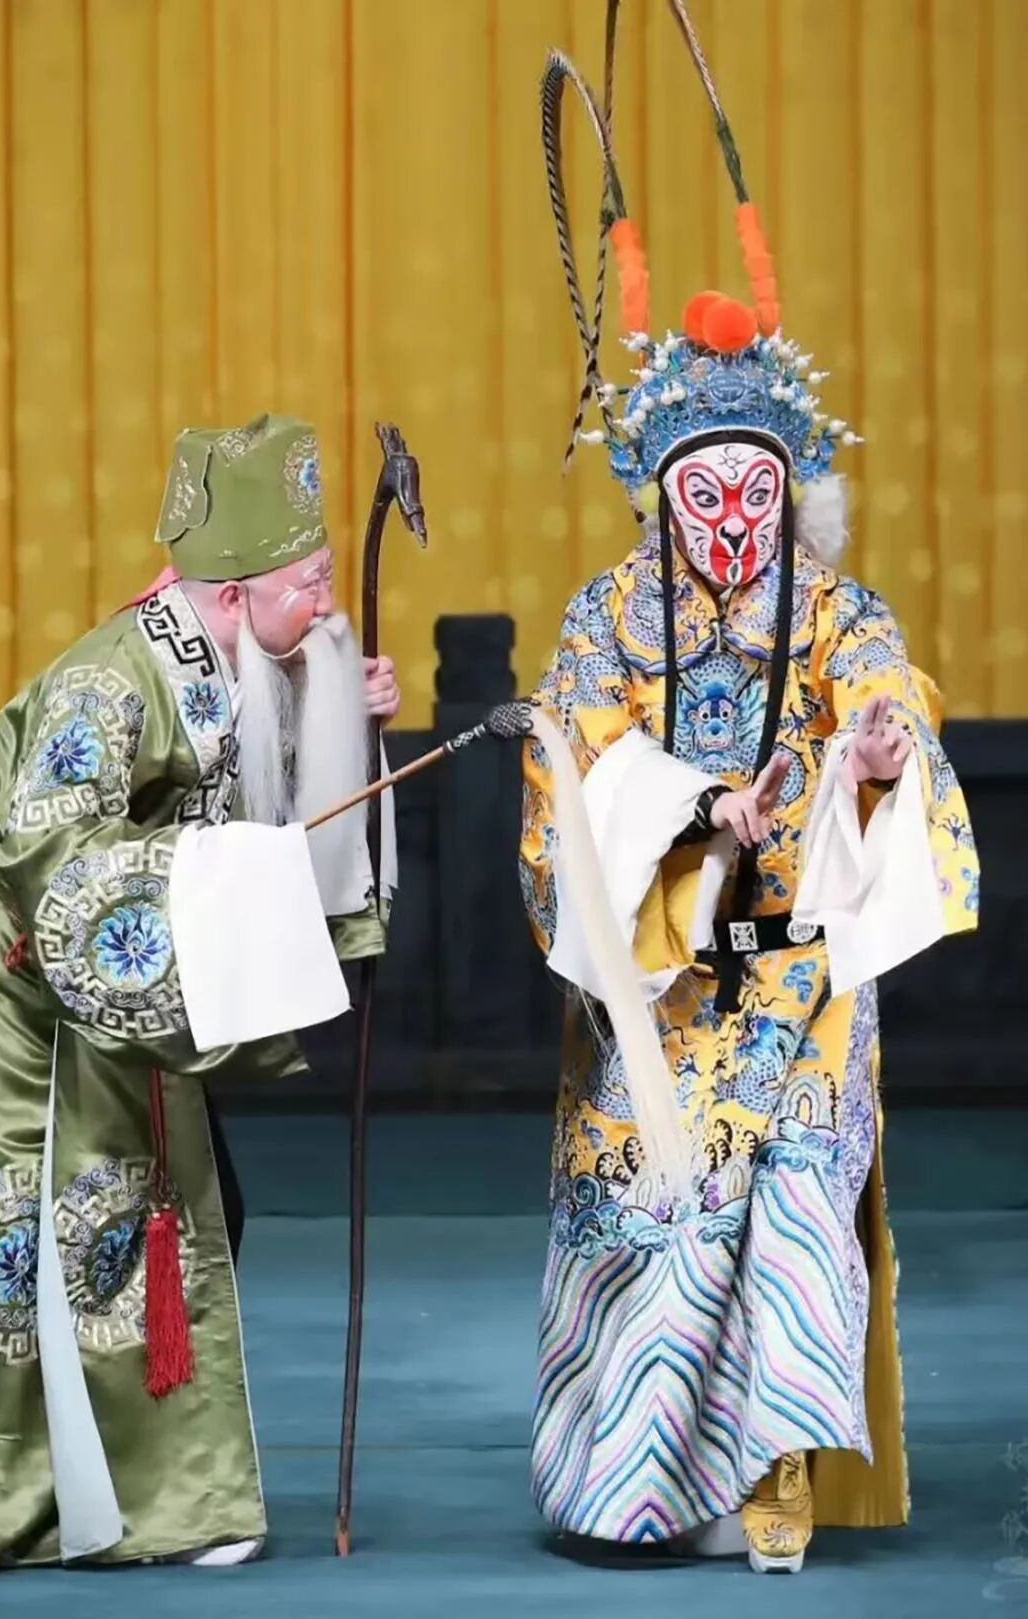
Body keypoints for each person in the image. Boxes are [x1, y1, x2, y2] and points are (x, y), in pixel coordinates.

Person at [520, 27, 979, 1575]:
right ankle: (635, 1485)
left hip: (798, 972)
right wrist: (687, 808)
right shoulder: (608, 615)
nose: (731, 523)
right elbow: (569, 766)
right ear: (663, 495)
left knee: (786, 1204)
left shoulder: (836, 611)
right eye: (704, 494)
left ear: (795, 493)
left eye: (758, 493)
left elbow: (892, 689)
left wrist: (875, 753)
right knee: (659, 1218)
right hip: (664, 971)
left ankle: (775, 1479)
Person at [0, 413, 399, 1569]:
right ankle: (11, 1498)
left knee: (180, 1219)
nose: (325, 603)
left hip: (112, 997)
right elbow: (49, 847)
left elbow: (240, 778)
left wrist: (336, 711)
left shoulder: (231, 654)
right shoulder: (109, 681)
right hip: (25, 995)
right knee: (16, 1244)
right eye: (308, 584)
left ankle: (155, 1496)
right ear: (233, 593)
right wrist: (209, 873)